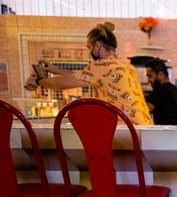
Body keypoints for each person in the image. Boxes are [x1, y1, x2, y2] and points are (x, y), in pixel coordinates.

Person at [24, 22, 152, 125]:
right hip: (144, 128)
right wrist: (54, 69)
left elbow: (60, 84)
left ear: (97, 46)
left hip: (126, 131)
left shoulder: (100, 66)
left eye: (89, 47)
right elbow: (81, 75)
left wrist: (37, 81)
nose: (89, 51)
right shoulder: (126, 66)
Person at [145, 59, 177, 125]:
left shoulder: (158, 92)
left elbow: (143, 110)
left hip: (162, 135)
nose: (148, 81)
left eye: (150, 76)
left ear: (160, 74)